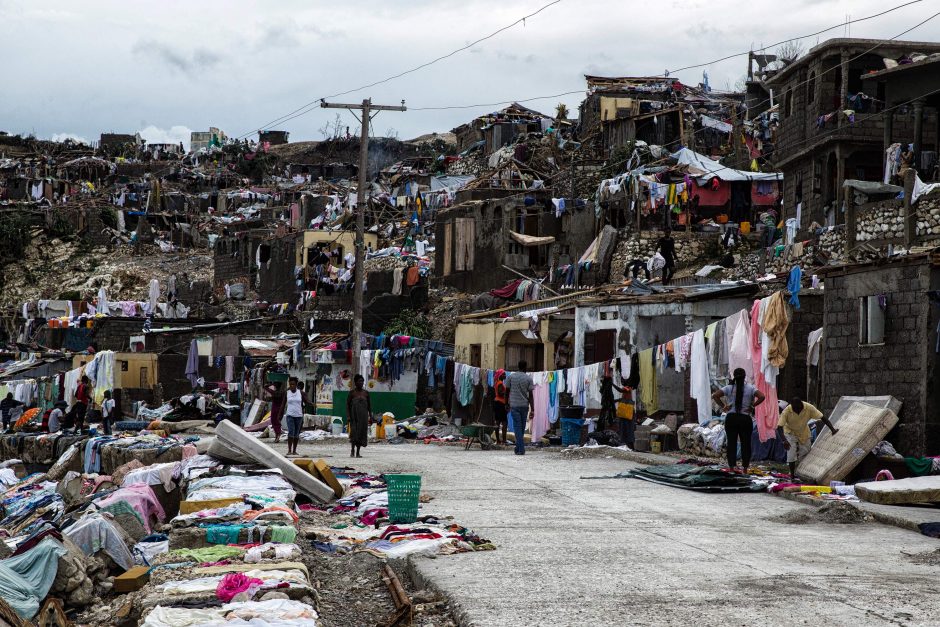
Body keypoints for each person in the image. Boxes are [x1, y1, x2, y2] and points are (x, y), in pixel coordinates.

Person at [711, 368, 765, 473]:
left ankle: (732, 467)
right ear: (744, 377)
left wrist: (724, 406)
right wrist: (752, 406)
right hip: (745, 419)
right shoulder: (750, 388)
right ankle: (745, 468)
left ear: (734, 376)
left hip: (731, 418)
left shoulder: (729, 388)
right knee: (746, 443)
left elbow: (715, 396)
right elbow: (762, 396)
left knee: (731, 443)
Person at [778, 397, 839, 480]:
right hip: (790, 432)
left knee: (805, 453)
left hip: (804, 431)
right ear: (792, 407)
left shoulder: (809, 407)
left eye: (799, 409)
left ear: (802, 405)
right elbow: (779, 427)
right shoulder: (787, 411)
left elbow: (823, 418)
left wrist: (832, 429)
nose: (797, 411)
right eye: (795, 409)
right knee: (791, 454)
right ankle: (792, 475)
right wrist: (784, 441)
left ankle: (802, 473)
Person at [505, 361, 534, 456]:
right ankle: (519, 448)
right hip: (524, 406)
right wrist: (532, 409)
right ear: (525, 367)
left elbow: (507, 391)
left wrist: (506, 404)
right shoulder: (528, 379)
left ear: (518, 366)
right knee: (520, 428)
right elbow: (531, 396)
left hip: (514, 405)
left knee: (518, 427)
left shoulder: (511, 377)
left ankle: (520, 448)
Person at [284, 377, 312, 457]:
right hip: (289, 415)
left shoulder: (301, 393)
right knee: (291, 432)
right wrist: (279, 415)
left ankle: (294, 450)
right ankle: (289, 450)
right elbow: (283, 404)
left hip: (299, 415)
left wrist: (311, 403)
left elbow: (306, 400)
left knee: (296, 434)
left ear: (296, 385)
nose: (291, 386)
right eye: (290, 384)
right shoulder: (287, 393)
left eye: (293, 384)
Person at [346, 374, 372, 458]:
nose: (361, 383)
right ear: (355, 382)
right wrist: (348, 416)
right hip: (354, 417)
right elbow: (347, 405)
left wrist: (370, 417)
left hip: (363, 417)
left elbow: (369, 406)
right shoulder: (352, 393)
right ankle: (352, 450)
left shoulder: (366, 393)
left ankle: (358, 452)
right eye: (359, 381)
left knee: (361, 434)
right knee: (354, 433)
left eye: (362, 381)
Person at [263, 380, 286, 444]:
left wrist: (270, 384)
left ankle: (277, 435)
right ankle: (277, 435)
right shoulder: (283, 392)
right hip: (281, 409)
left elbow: (265, 387)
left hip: (275, 409)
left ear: (275, 385)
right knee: (277, 422)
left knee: (274, 422)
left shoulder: (274, 392)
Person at [616, 383, 636, 449]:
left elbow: (621, 390)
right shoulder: (626, 389)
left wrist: (612, 384)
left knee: (628, 429)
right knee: (624, 429)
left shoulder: (628, 389)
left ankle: (629, 446)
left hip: (627, 412)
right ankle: (627, 445)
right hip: (625, 411)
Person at [492, 371, 509, 445]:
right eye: (503, 374)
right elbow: (500, 393)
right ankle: (503, 440)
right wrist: (507, 392)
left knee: (498, 422)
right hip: (500, 404)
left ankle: (499, 440)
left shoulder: (498, 382)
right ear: (500, 375)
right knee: (504, 422)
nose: (505, 375)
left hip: (498, 403)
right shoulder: (500, 383)